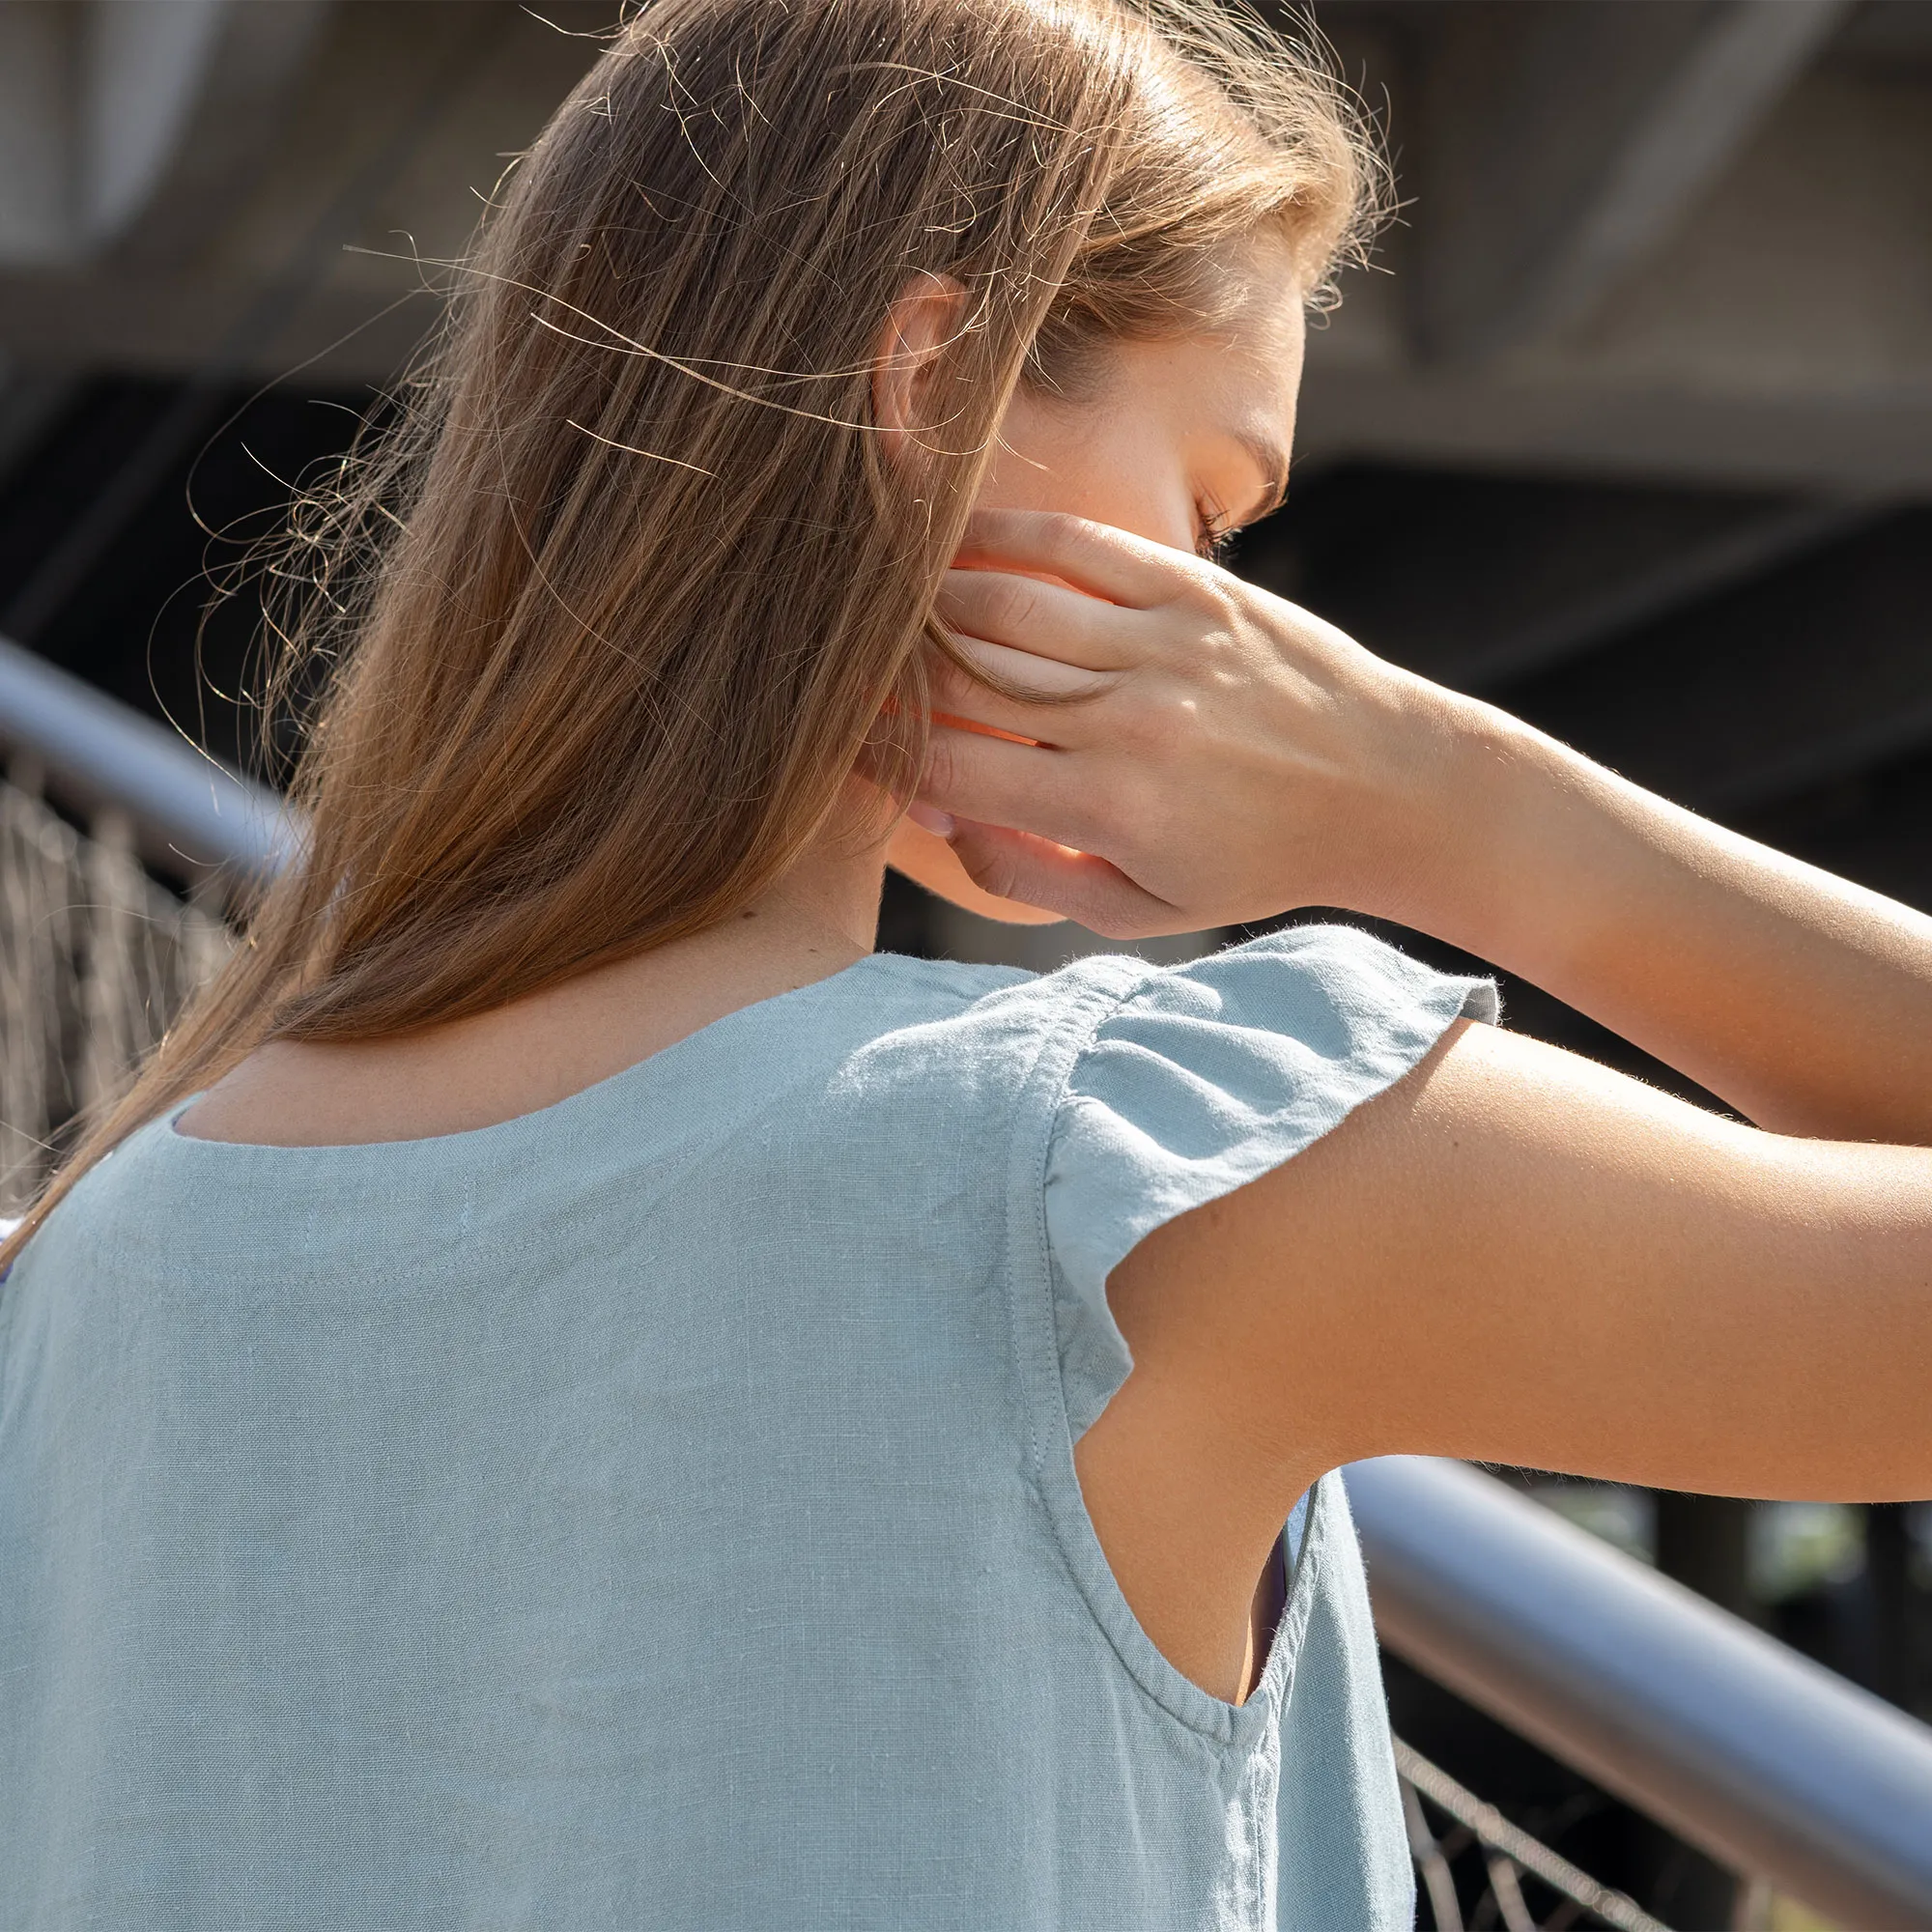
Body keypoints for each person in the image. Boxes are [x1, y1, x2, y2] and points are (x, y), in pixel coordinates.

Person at [2, 0, 1928, 1924]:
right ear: (936, 386)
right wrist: (1459, 814)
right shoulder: (1119, 1173)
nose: (1238, 614)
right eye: (1211, 508)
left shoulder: (85, 1270)